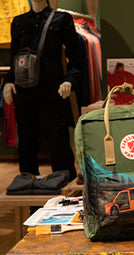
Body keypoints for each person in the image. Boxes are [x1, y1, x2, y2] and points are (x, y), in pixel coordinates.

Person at [2, 0, 82, 181]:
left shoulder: (62, 19)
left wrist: (70, 81)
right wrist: (8, 82)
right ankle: (30, 197)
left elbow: (76, 57)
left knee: (59, 145)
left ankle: (65, 195)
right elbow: (15, 56)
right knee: (26, 147)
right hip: (24, 94)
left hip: (53, 93)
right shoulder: (19, 22)